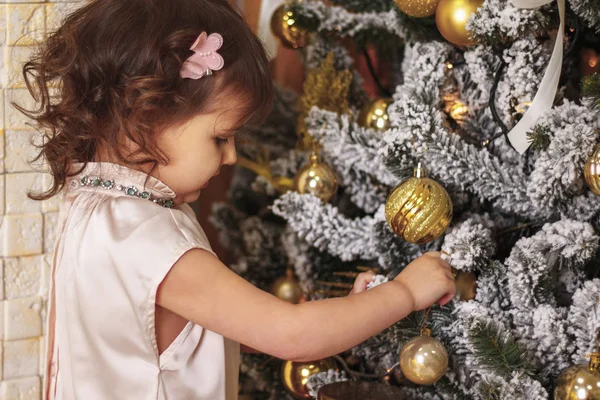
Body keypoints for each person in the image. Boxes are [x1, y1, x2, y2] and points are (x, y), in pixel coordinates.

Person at [18, 0, 456, 399]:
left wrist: (351, 311)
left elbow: (199, 325)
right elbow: (293, 337)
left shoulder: (93, 209)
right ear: (146, 117)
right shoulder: (149, 236)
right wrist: (403, 292)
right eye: (221, 137)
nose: (230, 157)